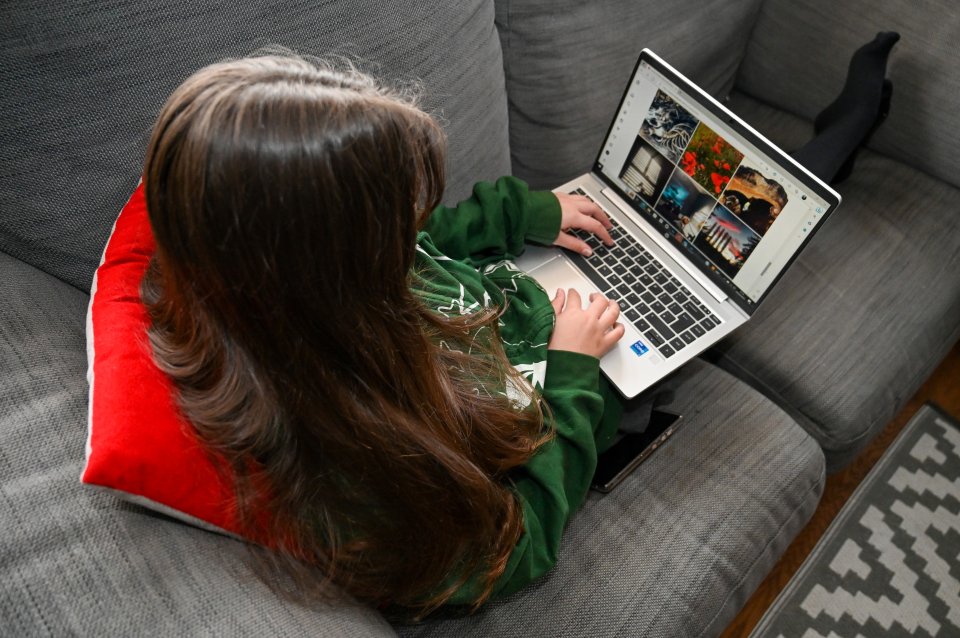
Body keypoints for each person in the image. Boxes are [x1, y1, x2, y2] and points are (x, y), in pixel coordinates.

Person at [139, 32, 897, 619]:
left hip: (522, 308)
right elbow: (519, 548)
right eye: (395, 221)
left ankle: (827, 149)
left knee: (669, 227)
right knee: (738, 254)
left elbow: (434, 240)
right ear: (332, 265)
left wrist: (530, 213)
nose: (415, 229)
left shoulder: (275, 285)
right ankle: (839, 145)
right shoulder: (366, 480)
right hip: (573, 379)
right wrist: (574, 369)